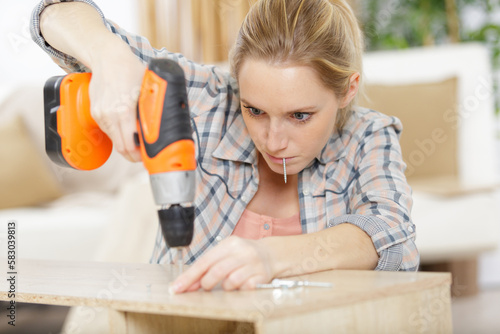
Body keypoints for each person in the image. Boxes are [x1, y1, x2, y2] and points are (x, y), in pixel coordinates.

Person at [31, 0, 419, 294]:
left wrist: (269, 257)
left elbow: (392, 234)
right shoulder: (207, 98)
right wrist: (110, 57)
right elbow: (51, 15)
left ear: (348, 90)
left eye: (300, 115)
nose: (273, 141)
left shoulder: (369, 136)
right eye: (255, 110)